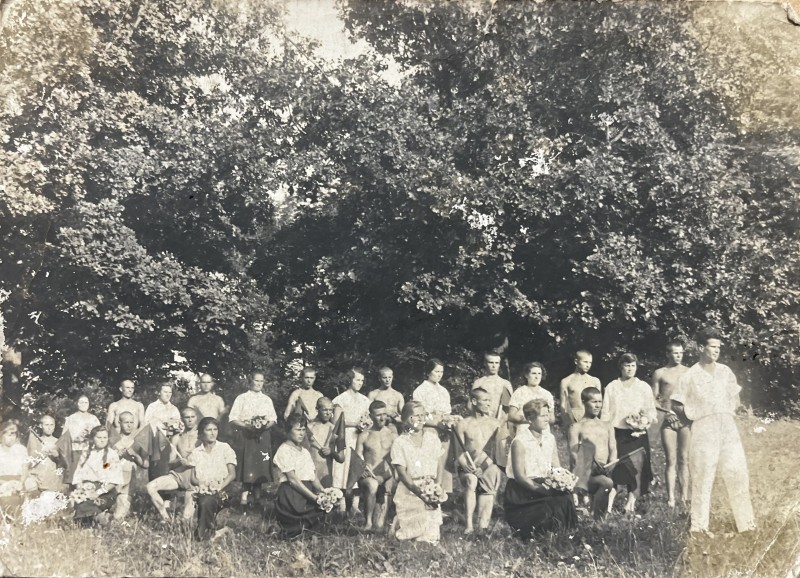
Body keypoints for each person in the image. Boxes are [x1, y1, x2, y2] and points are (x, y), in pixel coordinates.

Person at [671, 328, 756, 535]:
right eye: (712, 346)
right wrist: (693, 418)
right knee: (702, 474)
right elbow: (676, 404)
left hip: (727, 425)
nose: (717, 350)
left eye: (719, 347)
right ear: (701, 348)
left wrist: (727, 411)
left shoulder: (725, 371)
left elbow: (735, 397)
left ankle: (747, 526)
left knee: (737, 472)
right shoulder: (690, 375)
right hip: (704, 427)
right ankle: (699, 528)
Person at [504, 400, 577, 539]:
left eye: (547, 414)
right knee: (548, 505)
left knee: (565, 498)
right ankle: (543, 537)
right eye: (542, 415)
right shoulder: (519, 442)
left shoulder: (550, 438)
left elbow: (556, 467)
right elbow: (520, 477)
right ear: (530, 418)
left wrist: (564, 481)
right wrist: (542, 490)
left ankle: (564, 537)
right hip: (523, 491)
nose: (547, 418)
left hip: (545, 483)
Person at [601, 353, 658, 513]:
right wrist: (606, 431)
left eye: (633, 365)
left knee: (637, 470)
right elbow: (605, 412)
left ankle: (629, 504)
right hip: (617, 434)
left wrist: (643, 422)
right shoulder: (612, 386)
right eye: (627, 365)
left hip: (637, 435)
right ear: (621, 367)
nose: (630, 369)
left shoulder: (643, 387)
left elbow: (651, 412)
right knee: (616, 470)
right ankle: (609, 506)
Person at [390, 401, 445, 544]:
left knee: (430, 539)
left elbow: (439, 463)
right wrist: (419, 492)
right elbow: (402, 473)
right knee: (409, 536)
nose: (421, 419)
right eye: (416, 416)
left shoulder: (432, 438)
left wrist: (437, 486)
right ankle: (399, 525)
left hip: (430, 487)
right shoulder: (400, 442)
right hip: (411, 489)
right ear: (407, 419)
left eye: (423, 415)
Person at [454, 388, 503, 535]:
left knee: (493, 471)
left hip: (487, 465)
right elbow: (458, 453)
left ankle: (483, 526)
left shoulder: (496, 424)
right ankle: (469, 525)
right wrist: (468, 467)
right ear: (474, 401)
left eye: (490, 400)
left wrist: (483, 467)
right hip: (468, 467)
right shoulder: (463, 424)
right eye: (485, 400)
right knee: (471, 480)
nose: (489, 404)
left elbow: (496, 453)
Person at [273, 413, 326, 538]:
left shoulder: (305, 452)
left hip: (306, 490)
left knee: (324, 509)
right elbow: (293, 480)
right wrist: (314, 497)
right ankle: (286, 530)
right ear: (288, 431)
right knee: (297, 526)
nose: (301, 433)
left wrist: (325, 492)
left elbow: (313, 477)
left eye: (303, 430)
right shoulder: (284, 450)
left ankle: (309, 534)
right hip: (291, 493)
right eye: (297, 430)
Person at [228, 371, 277, 506]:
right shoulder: (242, 398)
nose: (259, 384)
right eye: (256, 381)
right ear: (250, 381)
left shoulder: (267, 399)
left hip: (263, 435)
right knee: (248, 464)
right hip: (246, 434)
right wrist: (247, 426)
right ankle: (244, 495)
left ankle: (257, 495)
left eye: (261, 381)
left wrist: (263, 426)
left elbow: (273, 419)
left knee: (260, 465)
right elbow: (232, 418)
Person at [652, 339, 691, 507]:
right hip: (667, 420)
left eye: (681, 353)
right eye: (675, 353)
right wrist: (666, 413)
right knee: (671, 459)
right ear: (668, 353)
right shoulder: (660, 373)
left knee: (684, 458)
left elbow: (695, 397)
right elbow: (653, 399)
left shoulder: (689, 372)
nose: (679, 356)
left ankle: (684, 497)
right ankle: (671, 499)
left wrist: (689, 413)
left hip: (686, 420)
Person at [186, 417, 237, 540]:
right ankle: (213, 534)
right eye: (209, 430)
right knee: (205, 500)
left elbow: (232, 474)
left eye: (215, 429)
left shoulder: (225, 448)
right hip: (204, 489)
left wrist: (219, 487)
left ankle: (203, 536)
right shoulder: (196, 453)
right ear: (201, 433)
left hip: (224, 490)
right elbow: (193, 478)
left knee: (207, 501)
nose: (213, 433)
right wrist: (202, 484)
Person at [146, 407, 201, 521]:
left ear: (196, 418)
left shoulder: (201, 436)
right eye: (187, 417)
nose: (190, 420)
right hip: (178, 476)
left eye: (192, 417)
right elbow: (170, 463)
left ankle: (181, 523)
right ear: (182, 419)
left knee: (186, 519)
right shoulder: (177, 437)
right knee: (150, 487)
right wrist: (179, 461)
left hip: (195, 479)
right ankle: (166, 519)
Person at [569, 387, 617, 519]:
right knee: (606, 483)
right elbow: (573, 454)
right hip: (584, 472)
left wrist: (611, 464)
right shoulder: (577, 427)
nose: (598, 405)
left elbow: (613, 448)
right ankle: (597, 517)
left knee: (608, 482)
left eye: (600, 402)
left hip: (605, 469)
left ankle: (597, 515)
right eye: (593, 402)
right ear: (584, 402)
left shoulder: (607, 425)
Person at [412, 359, 454, 494]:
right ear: (428, 372)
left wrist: (447, 422)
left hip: (444, 431)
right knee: (431, 463)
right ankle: (428, 493)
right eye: (436, 371)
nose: (439, 374)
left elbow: (447, 412)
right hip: (429, 429)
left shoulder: (444, 391)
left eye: (441, 372)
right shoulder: (420, 390)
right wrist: (436, 423)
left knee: (442, 463)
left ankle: (440, 494)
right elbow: (418, 416)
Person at [331, 367, 371, 512]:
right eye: (357, 379)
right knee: (343, 468)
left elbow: (368, 417)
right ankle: (340, 503)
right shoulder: (341, 399)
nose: (360, 383)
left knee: (357, 466)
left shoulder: (365, 400)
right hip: (345, 436)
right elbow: (336, 421)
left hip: (360, 437)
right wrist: (356, 424)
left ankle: (355, 504)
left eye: (362, 380)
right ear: (350, 380)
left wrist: (365, 424)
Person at [355, 400, 397, 531]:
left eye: (384, 414)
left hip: (387, 473)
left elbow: (396, 461)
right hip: (369, 474)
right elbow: (356, 458)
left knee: (379, 526)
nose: (382, 418)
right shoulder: (364, 435)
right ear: (371, 416)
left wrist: (384, 477)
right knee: (372, 485)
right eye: (378, 415)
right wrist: (362, 469)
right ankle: (368, 522)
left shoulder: (392, 435)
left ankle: (381, 521)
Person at [71, 426, 123, 526]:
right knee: (79, 500)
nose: (102, 440)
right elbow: (78, 475)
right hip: (87, 488)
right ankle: (98, 520)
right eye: (99, 437)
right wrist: (81, 491)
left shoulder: (112, 455)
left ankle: (99, 520)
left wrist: (98, 492)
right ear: (92, 439)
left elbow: (115, 480)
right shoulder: (86, 454)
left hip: (105, 491)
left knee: (90, 503)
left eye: (105, 437)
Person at [111, 411, 148, 521]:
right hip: (110, 484)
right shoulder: (112, 441)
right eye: (126, 422)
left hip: (127, 484)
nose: (129, 425)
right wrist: (114, 458)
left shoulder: (138, 442)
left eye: (132, 422)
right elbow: (103, 466)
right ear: (119, 422)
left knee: (118, 516)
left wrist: (136, 456)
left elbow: (146, 465)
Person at [559, 350, 601, 438]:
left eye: (590, 362)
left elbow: (600, 403)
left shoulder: (595, 381)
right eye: (585, 362)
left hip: (592, 420)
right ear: (576, 361)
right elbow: (563, 406)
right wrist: (568, 424)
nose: (588, 365)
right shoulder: (566, 381)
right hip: (574, 419)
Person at [303, 397, 344, 488]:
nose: (328, 413)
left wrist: (332, 452)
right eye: (325, 410)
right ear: (317, 409)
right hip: (310, 474)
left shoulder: (334, 429)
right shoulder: (309, 428)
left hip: (327, 475)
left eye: (330, 410)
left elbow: (341, 458)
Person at [63, 394, 102, 483]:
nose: (84, 404)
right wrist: (78, 436)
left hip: (90, 450)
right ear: (77, 404)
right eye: (82, 402)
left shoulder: (93, 418)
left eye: (86, 402)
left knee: (89, 477)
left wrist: (90, 435)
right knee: (75, 478)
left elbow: (100, 434)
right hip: (75, 450)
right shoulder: (71, 418)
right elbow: (65, 437)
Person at [0, 420, 36, 514]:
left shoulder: (21, 450)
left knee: (30, 495)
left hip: (19, 482)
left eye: (14, 435)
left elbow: (25, 469)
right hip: (2, 483)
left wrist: (21, 482)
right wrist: (7, 484)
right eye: (9, 435)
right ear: (1, 435)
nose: (11, 438)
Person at [508, 362, 556, 433]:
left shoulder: (546, 394)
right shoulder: (519, 392)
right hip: (524, 431)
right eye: (533, 373)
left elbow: (552, 418)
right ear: (526, 375)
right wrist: (531, 420)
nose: (537, 376)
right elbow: (511, 416)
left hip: (543, 433)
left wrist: (542, 420)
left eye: (539, 374)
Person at [26, 414, 63, 492]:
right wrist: (42, 453)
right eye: (46, 425)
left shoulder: (58, 442)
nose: (49, 428)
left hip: (53, 479)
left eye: (52, 425)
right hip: (38, 478)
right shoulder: (36, 441)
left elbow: (64, 464)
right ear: (40, 425)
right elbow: (30, 462)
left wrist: (57, 456)